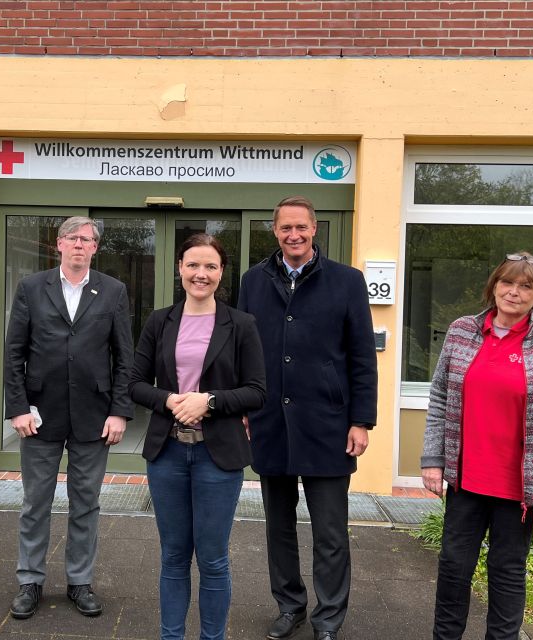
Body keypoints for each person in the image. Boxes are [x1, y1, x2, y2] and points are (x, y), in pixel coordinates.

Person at [420, 252, 533, 640]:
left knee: (507, 571)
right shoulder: (463, 331)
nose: (514, 292)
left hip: (520, 487)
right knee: (453, 567)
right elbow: (440, 397)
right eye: (507, 282)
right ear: (494, 286)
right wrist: (434, 460)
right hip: (466, 479)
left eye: (526, 285)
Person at [237, 196, 378, 640]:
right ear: (274, 232)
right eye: (285, 229)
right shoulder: (252, 281)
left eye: (301, 227)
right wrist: (244, 405)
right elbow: (244, 350)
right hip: (270, 423)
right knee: (278, 527)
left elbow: (361, 356)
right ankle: (289, 606)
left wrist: (362, 420)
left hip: (330, 425)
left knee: (330, 532)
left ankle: (328, 618)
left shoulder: (347, 282)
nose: (293, 235)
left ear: (314, 229)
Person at [128, 233, 267, 640]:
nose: (200, 274)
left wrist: (209, 401)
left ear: (221, 273)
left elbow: (257, 390)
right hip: (167, 454)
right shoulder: (160, 321)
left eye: (209, 266)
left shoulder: (241, 324)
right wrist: (171, 399)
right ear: (180, 269)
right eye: (192, 265)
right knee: (172, 556)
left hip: (217, 458)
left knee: (213, 559)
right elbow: (135, 384)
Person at [3, 216, 134, 620]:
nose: (79, 245)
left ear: (95, 248)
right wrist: (18, 408)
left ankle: (80, 582)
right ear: (58, 244)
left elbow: (124, 358)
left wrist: (119, 411)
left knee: (86, 503)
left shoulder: (113, 291)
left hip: (94, 416)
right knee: (35, 502)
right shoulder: (31, 288)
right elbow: (13, 354)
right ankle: (30, 580)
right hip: (40, 416)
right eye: (72, 238)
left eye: (87, 240)